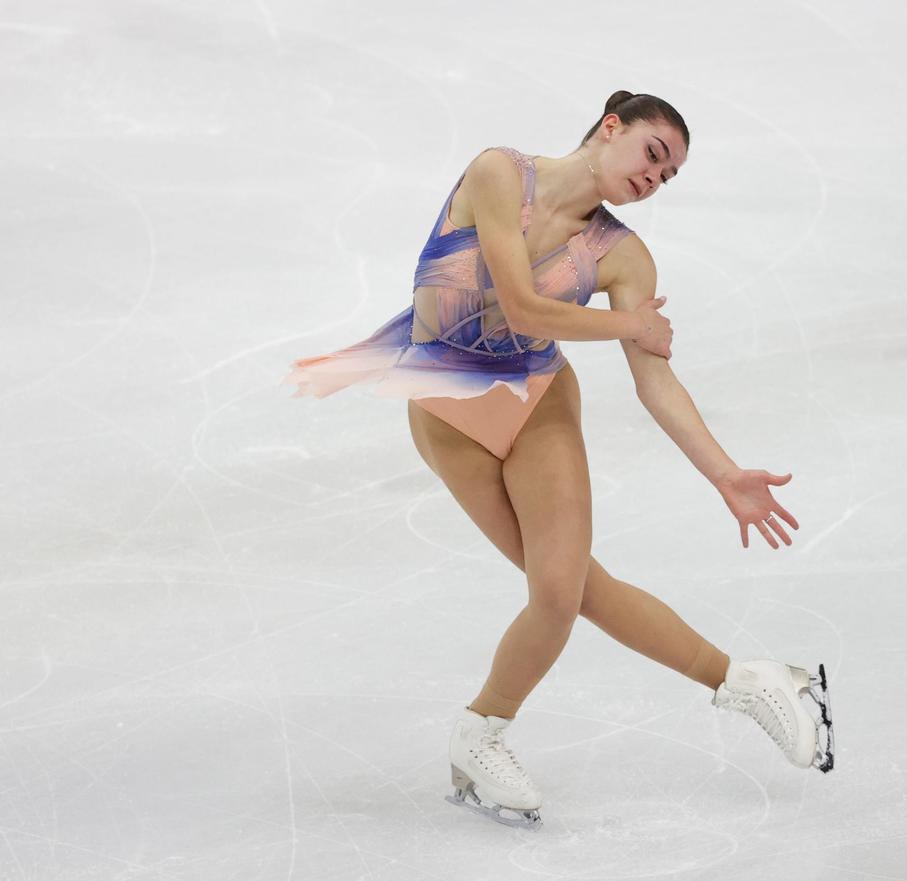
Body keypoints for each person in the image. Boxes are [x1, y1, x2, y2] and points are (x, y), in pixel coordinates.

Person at [281, 90, 834, 830]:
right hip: (448, 413)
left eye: (668, 175)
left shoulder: (624, 255)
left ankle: (483, 729)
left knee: (557, 590)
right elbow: (520, 305)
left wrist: (723, 471)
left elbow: (654, 379)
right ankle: (749, 679)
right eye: (652, 154)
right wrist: (628, 322)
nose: (654, 178)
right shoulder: (499, 174)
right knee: (576, 590)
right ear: (613, 129)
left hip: (538, 404)